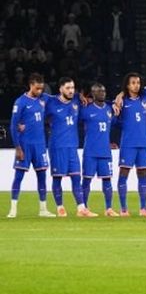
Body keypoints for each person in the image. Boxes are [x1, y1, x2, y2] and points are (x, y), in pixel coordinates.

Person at [9, 73, 50, 218]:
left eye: (41, 89)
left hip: (40, 145)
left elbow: (60, 99)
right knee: (19, 176)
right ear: (31, 85)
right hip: (25, 145)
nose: (40, 91)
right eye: (37, 88)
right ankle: (13, 209)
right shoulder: (20, 102)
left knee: (42, 176)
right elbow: (13, 126)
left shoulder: (43, 99)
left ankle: (43, 209)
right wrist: (18, 147)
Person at [46, 77, 88, 217]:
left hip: (72, 146)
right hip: (57, 146)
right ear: (60, 89)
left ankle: (81, 209)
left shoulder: (77, 100)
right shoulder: (51, 102)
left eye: (72, 88)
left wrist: (80, 95)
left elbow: (85, 95)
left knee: (76, 177)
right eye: (68, 88)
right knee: (57, 178)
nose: (71, 91)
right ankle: (60, 207)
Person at [113, 73, 146, 217]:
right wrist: (116, 112)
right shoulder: (121, 102)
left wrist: (121, 92)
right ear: (128, 85)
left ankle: (143, 208)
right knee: (124, 173)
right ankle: (123, 209)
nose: (137, 85)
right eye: (133, 83)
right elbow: (114, 123)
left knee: (142, 174)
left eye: (138, 82)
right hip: (128, 143)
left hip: (144, 143)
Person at [80, 83, 116, 217]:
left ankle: (109, 208)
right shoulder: (85, 110)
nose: (102, 93)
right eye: (99, 91)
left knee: (107, 180)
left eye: (104, 91)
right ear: (93, 94)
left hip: (105, 152)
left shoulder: (109, 109)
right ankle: (84, 208)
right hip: (90, 151)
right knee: (87, 180)